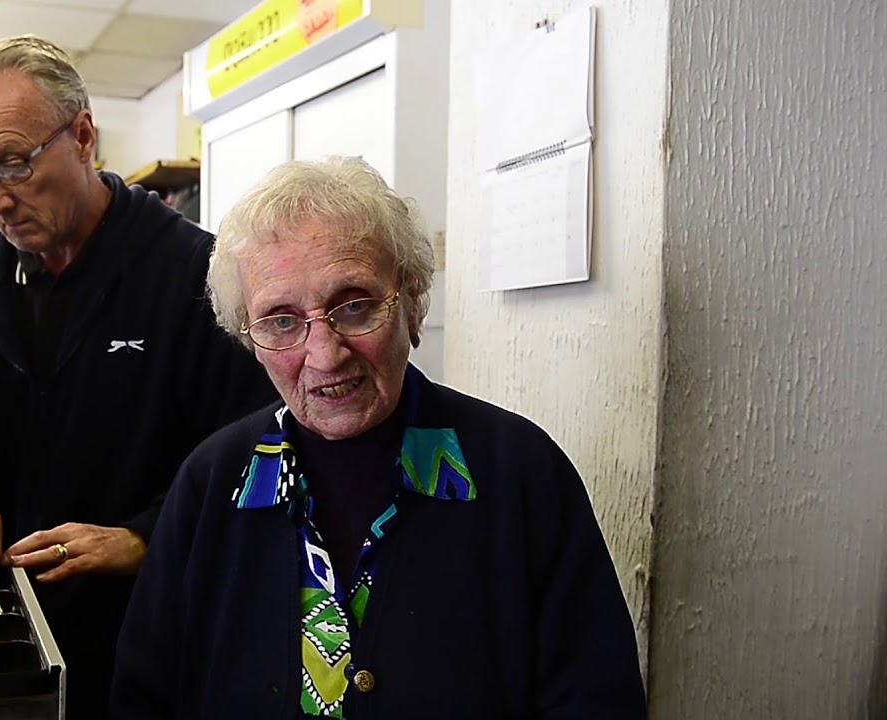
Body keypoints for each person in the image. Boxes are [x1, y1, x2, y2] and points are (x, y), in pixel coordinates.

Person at [110, 157, 647, 719]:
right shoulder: (211, 484)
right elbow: (144, 700)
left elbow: (597, 702)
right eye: (282, 321)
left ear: (412, 304)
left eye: (355, 306)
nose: (325, 355)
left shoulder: (519, 473)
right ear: (249, 338)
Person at [0, 36, 277, 719]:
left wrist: (145, 537)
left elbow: (259, 450)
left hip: (156, 629)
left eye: (12, 164)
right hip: (20, 628)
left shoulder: (196, 276)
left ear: (82, 137)